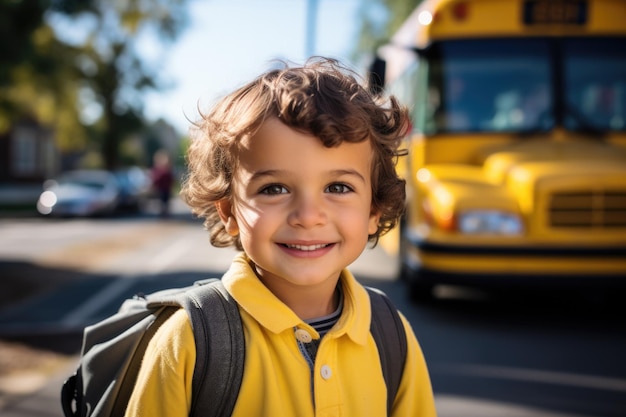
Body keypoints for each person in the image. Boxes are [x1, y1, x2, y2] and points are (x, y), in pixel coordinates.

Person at [125, 57, 437, 417]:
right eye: (274, 188)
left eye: (338, 187)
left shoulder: (390, 334)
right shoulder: (190, 342)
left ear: (373, 209)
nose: (307, 216)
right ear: (229, 213)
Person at [150, 149, 174, 217]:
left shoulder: (167, 169)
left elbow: (171, 179)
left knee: (165, 202)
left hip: (166, 188)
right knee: (162, 202)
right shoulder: (158, 169)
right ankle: (163, 212)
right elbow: (155, 179)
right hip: (161, 188)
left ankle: (165, 212)